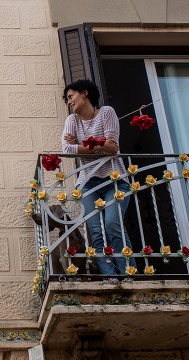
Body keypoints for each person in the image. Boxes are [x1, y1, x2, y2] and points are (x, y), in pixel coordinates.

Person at [61, 79, 135, 279]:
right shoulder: (72, 121)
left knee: (112, 223)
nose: (69, 102)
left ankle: (129, 275)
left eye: (71, 96)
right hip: (87, 184)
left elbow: (113, 147)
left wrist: (81, 145)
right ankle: (110, 277)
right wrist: (97, 145)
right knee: (96, 231)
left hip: (115, 180)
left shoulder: (106, 113)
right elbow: (67, 150)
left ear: (84, 93)